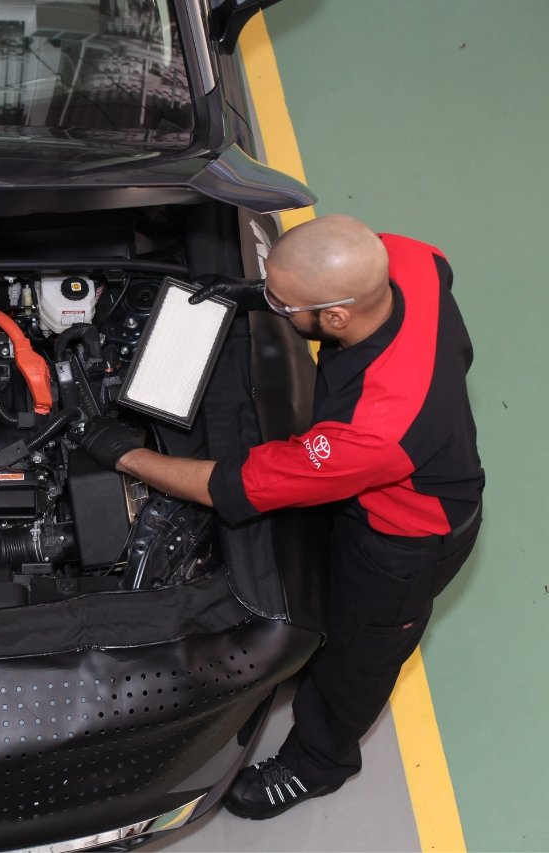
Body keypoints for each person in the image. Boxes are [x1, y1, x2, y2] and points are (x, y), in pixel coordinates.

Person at [80, 214, 484, 819]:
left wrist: (126, 454)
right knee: (323, 583)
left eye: (284, 302)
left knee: (359, 657)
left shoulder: (375, 430)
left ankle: (320, 764)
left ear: (336, 317)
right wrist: (248, 295)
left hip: (406, 539)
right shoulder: (407, 261)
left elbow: (227, 485)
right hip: (365, 487)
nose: (275, 305)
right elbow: (427, 266)